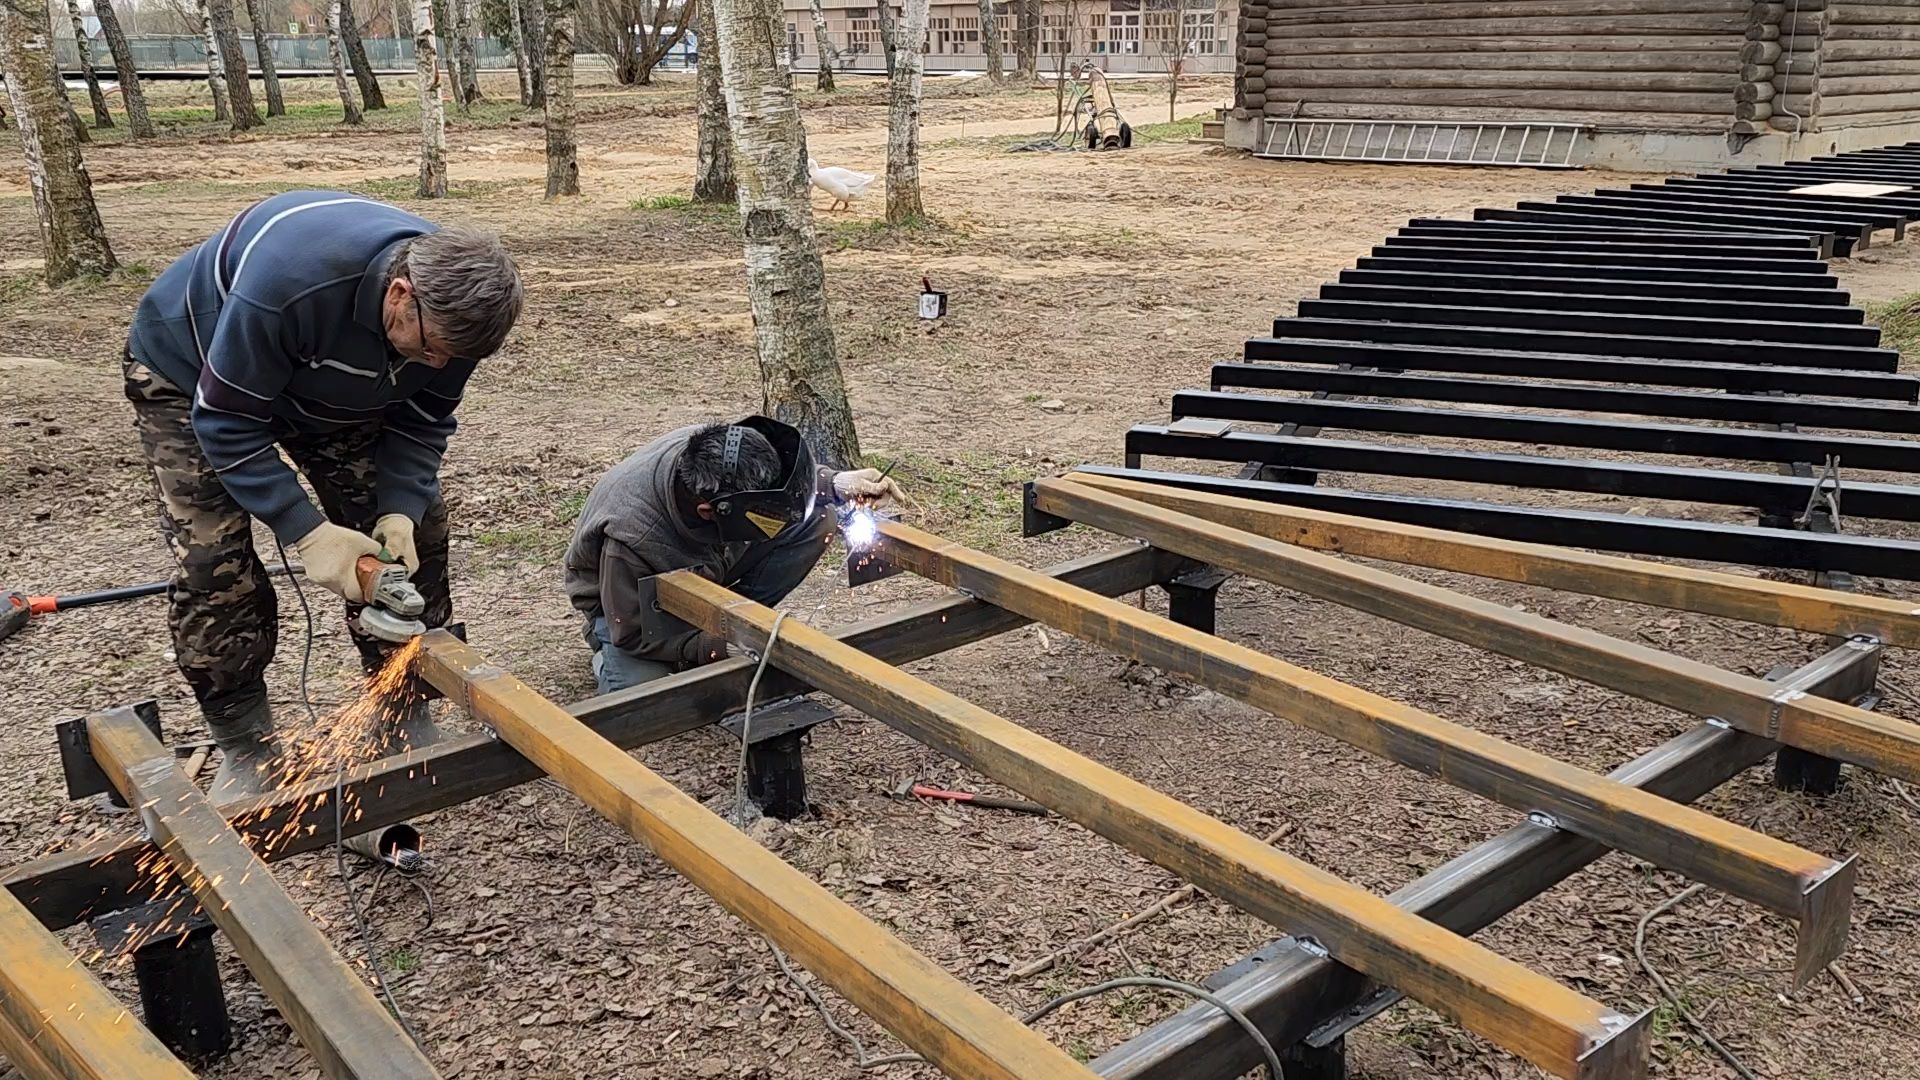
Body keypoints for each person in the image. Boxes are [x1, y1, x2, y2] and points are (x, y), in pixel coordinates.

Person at [124, 190, 524, 797]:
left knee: (425, 534)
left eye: (452, 355)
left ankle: (400, 707)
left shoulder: (455, 322)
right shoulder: (291, 283)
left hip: (330, 391)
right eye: (431, 348)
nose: (440, 362)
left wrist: (398, 512)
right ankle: (244, 743)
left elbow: (421, 422)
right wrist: (307, 531)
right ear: (400, 295)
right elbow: (229, 419)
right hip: (193, 380)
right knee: (214, 564)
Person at [564, 418, 904, 693]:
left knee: (816, 519)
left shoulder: (718, 456)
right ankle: (604, 650)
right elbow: (632, 631)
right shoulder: (631, 538)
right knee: (641, 695)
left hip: (709, 562)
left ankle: (729, 619)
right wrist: (717, 646)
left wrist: (834, 484)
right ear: (709, 511)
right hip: (630, 605)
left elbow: (772, 484)